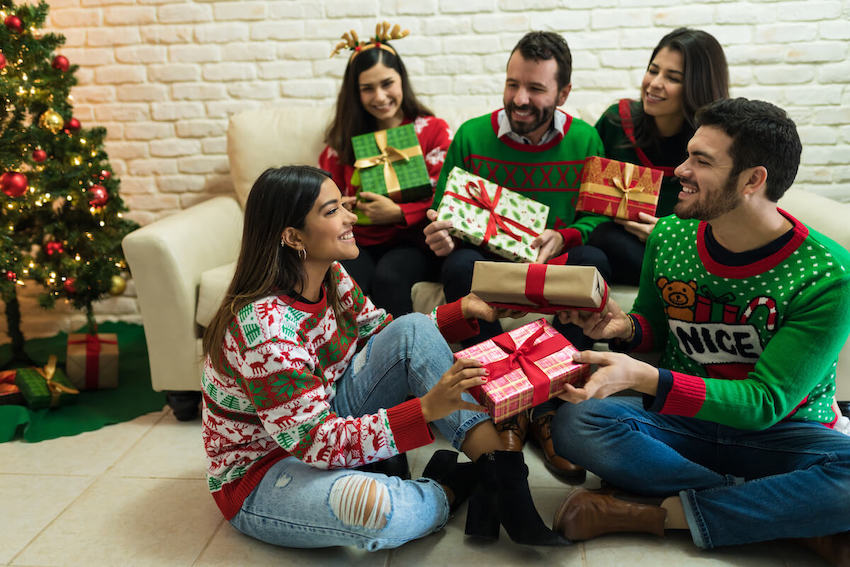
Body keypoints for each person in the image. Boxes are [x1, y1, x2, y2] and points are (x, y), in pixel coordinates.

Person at [200, 165, 567, 551]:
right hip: (264, 471)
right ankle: (448, 486)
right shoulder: (266, 331)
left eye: (344, 204)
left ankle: (503, 480)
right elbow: (316, 443)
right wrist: (424, 410)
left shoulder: (331, 274)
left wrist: (465, 311)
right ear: (292, 237)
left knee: (411, 328)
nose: (350, 216)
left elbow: (387, 335)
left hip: (328, 417)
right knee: (378, 509)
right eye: (331, 211)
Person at [549, 98, 850, 566]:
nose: (679, 171)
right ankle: (781, 513)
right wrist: (623, 327)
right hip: (684, 423)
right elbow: (656, 327)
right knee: (577, 422)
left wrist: (645, 379)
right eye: (689, 154)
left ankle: (656, 515)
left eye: (701, 161)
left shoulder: (826, 273)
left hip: (781, 435)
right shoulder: (670, 236)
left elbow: (764, 404)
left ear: (753, 180)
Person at [422, 30, 609, 480]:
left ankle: (547, 407)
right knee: (458, 265)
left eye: (536, 88)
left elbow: (596, 218)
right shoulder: (470, 136)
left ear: (564, 93)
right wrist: (441, 236)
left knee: (596, 262)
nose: (519, 99)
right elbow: (446, 216)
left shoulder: (586, 141)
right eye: (512, 84)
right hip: (488, 262)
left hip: (552, 260)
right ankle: (502, 403)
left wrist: (564, 236)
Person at [320, 24, 451, 317]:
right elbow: (323, 197)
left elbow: (447, 198)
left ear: (402, 80)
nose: (379, 97)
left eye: (387, 84)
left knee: (390, 276)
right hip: (357, 241)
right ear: (355, 93)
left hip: (413, 243)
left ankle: (402, 355)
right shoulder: (342, 141)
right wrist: (340, 206)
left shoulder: (431, 130)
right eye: (367, 88)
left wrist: (399, 213)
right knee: (340, 279)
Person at [588, 27, 728, 285]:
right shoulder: (616, 122)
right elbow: (585, 194)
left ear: (698, 87)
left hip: (683, 256)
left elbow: (725, 222)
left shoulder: (716, 145)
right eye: (653, 70)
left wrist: (667, 234)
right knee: (596, 244)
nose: (654, 84)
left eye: (672, 78)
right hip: (615, 248)